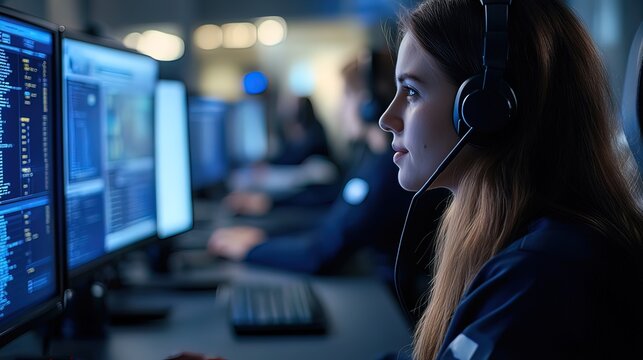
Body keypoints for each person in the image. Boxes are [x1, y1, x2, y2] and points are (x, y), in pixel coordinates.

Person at [378, 0, 643, 359]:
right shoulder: (519, 241)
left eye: (411, 91)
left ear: (485, 108)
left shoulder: (540, 275)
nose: (387, 118)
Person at [207, 52, 420, 284]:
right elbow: (334, 217)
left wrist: (252, 250)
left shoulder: (388, 172)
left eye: (345, 97)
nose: (340, 109)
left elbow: (320, 253)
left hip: (390, 301)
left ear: (368, 103)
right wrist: (266, 234)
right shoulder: (372, 160)